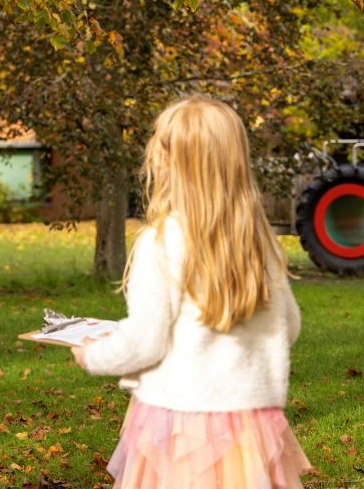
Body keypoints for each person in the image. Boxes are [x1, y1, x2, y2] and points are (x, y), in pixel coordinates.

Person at [72, 95, 312, 488]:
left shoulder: (163, 240)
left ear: (170, 163)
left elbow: (146, 342)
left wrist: (92, 354)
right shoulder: (261, 241)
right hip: (250, 423)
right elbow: (291, 327)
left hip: (180, 421)